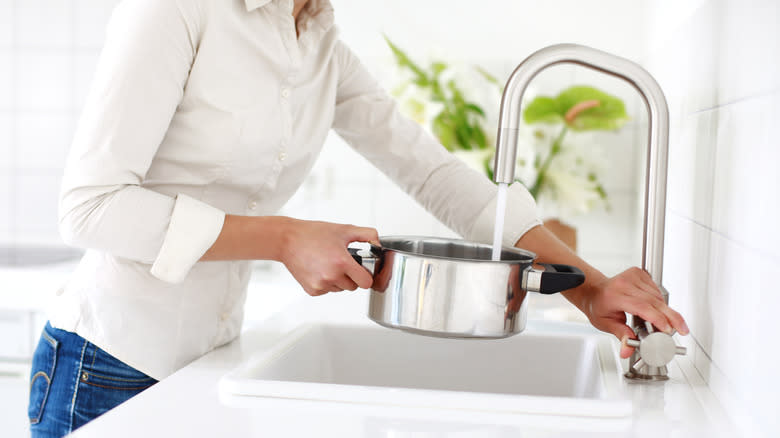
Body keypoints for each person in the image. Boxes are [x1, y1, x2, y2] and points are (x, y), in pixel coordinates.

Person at [27, 0, 689, 436]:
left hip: (206, 362)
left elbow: (436, 177)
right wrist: (285, 238)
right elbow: (91, 207)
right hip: (105, 365)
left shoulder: (317, 47)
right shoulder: (177, 10)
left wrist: (589, 288)